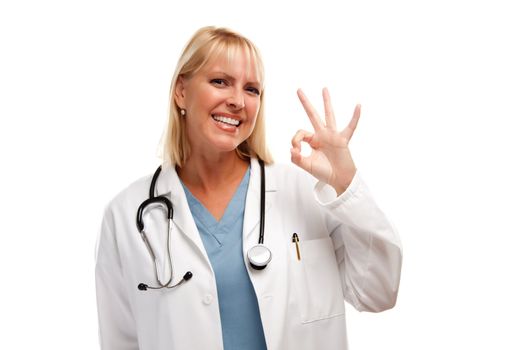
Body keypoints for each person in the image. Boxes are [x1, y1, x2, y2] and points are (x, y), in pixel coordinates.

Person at [95, 26, 402, 350]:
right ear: (181, 92)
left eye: (252, 89)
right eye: (220, 82)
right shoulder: (127, 214)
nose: (238, 101)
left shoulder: (304, 192)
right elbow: (120, 340)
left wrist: (344, 182)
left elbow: (378, 292)